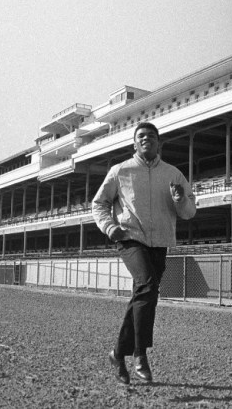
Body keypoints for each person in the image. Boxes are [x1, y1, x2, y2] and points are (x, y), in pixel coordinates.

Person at [92, 122, 196, 384]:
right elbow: (99, 203)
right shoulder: (120, 171)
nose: (146, 138)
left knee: (144, 294)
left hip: (160, 242)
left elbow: (188, 212)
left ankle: (117, 353)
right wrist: (108, 226)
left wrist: (179, 199)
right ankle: (139, 354)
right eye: (141, 136)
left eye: (151, 135)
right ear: (134, 144)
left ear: (159, 142)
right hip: (130, 238)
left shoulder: (173, 174)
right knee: (148, 286)